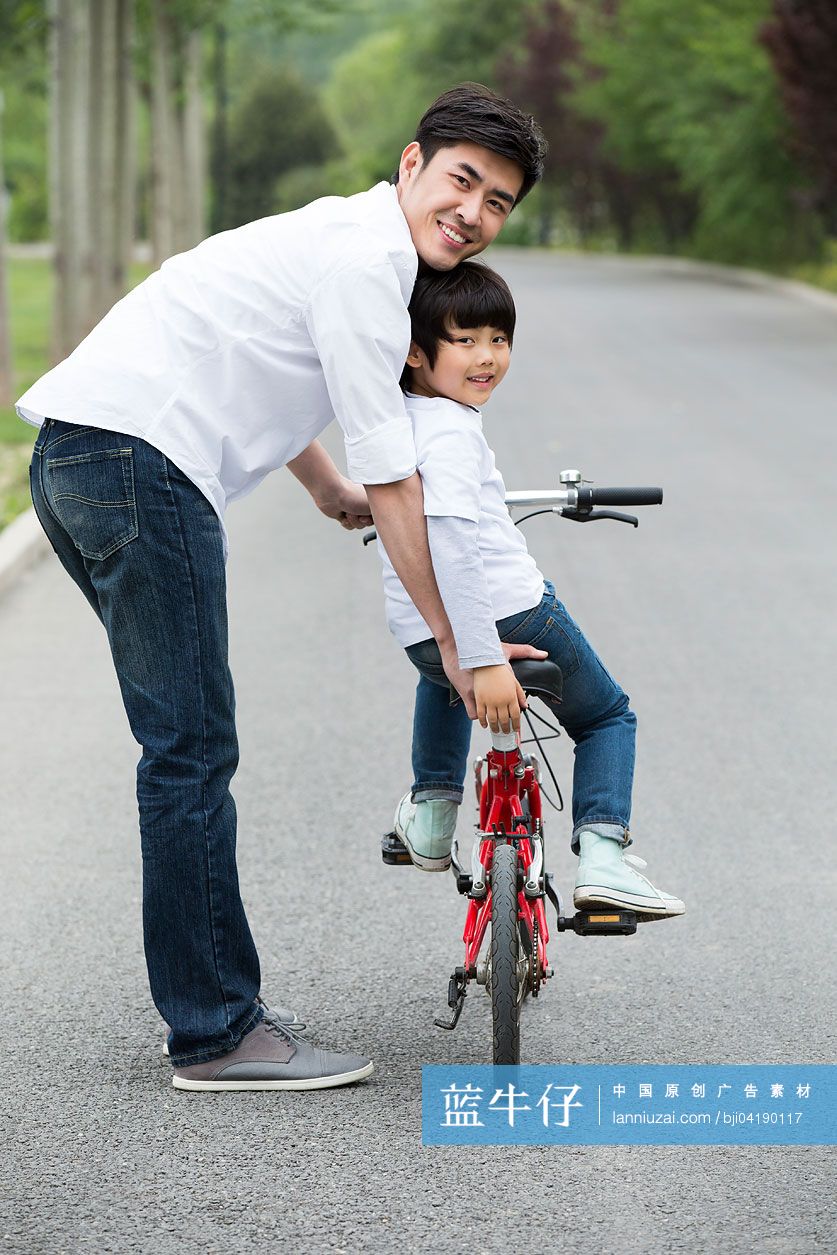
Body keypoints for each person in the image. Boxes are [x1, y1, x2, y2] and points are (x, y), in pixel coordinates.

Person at [17, 84, 549, 1091]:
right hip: (137, 463)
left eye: (499, 202)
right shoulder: (369, 265)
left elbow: (265, 367)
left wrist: (320, 488)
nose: (474, 212)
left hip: (78, 458)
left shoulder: (342, 241)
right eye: (462, 181)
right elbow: (397, 475)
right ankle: (215, 1029)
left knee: (184, 740)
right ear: (411, 165)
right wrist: (458, 643)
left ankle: (218, 1001)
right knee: (189, 747)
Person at [376, 261, 686, 919]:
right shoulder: (453, 433)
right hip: (507, 610)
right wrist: (480, 651)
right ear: (413, 348)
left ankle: (431, 814)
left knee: (439, 680)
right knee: (605, 716)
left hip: (418, 632)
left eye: (499, 338)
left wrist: (455, 645)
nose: (486, 357)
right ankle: (602, 856)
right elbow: (457, 544)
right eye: (465, 339)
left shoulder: (393, 419)